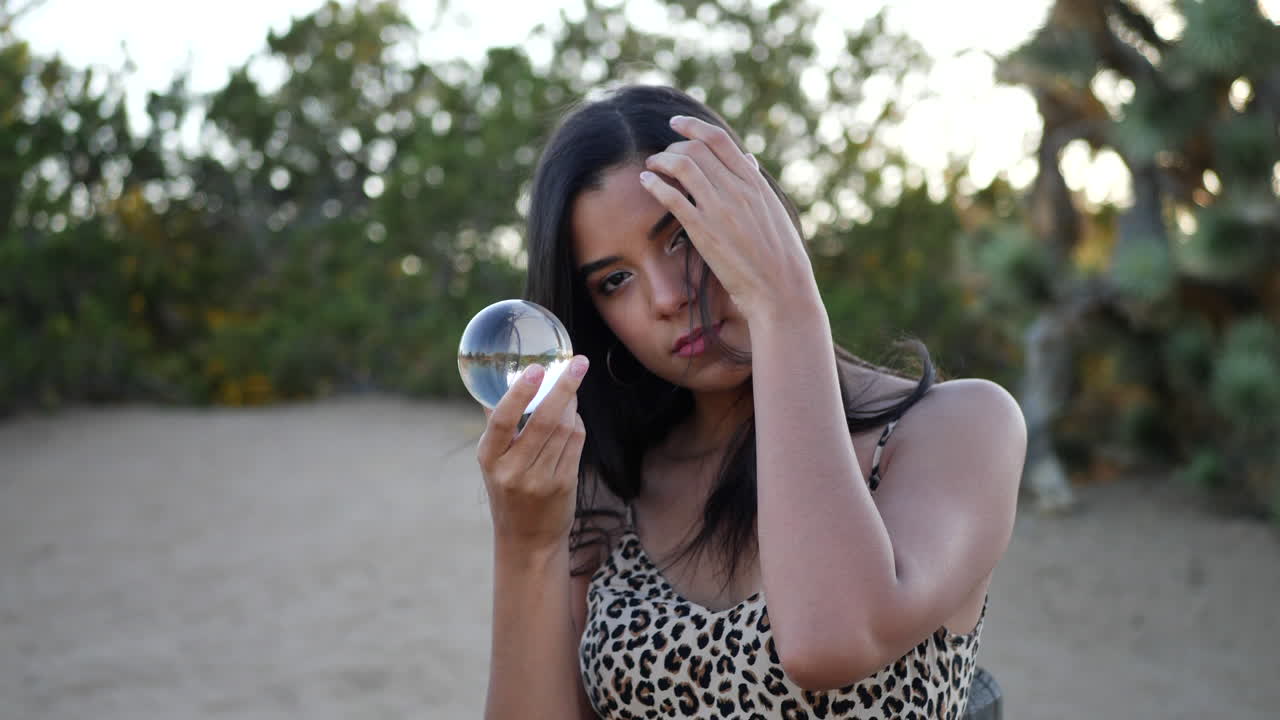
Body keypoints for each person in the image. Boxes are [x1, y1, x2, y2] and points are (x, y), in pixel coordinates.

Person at [474, 84, 1025, 719]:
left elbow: (831, 639)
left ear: (756, 214)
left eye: (680, 234)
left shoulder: (954, 428)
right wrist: (527, 545)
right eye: (614, 279)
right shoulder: (609, 492)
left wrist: (785, 308)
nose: (664, 297)